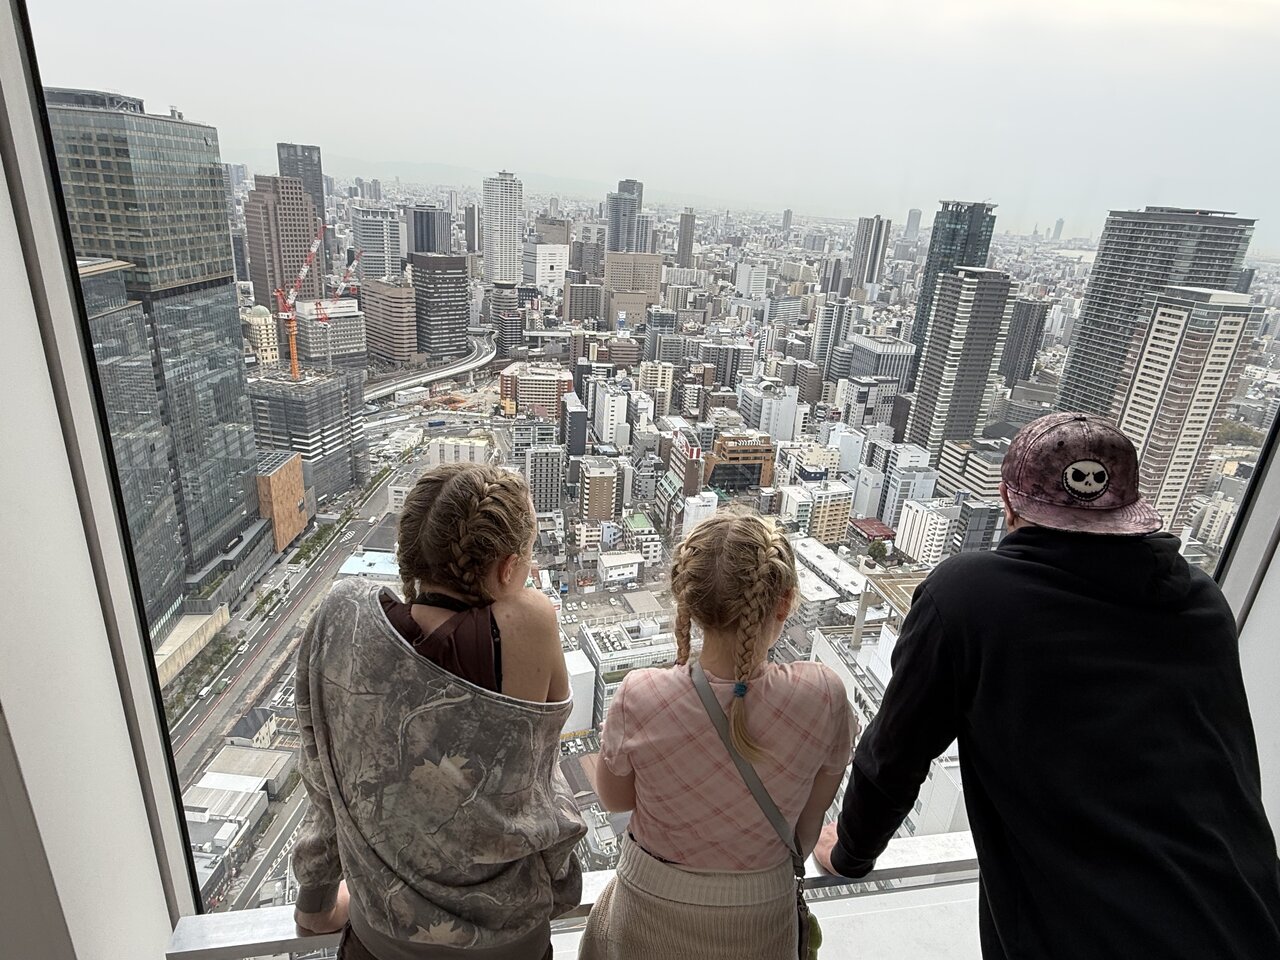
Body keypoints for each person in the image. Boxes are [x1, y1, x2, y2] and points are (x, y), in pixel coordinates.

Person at [815, 412, 1280, 959]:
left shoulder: (971, 597)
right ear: (1130, 510)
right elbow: (1228, 765)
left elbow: (896, 752)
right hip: (1249, 917)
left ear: (1008, 502)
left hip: (1091, 935)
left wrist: (850, 853)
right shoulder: (1201, 601)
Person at [291, 463, 587, 960]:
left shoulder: (342, 617)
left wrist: (316, 903)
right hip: (511, 942)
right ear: (507, 568)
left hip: (380, 940)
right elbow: (536, 779)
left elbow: (322, 777)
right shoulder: (530, 624)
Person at [580, 510, 855, 960]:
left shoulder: (641, 695)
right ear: (783, 603)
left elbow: (615, 800)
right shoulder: (823, 695)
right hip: (761, 920)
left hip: (649, 911)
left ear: (688, 601)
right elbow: (808, 825)